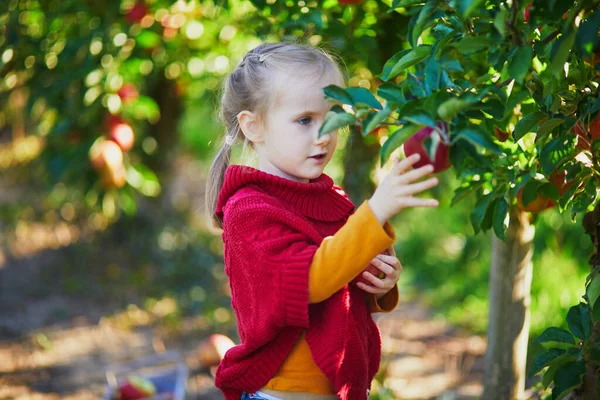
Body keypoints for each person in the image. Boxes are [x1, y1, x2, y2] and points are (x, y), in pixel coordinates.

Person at [205, 41, 439, 400]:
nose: (325, 134)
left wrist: (381, 282)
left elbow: (344, 279)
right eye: (304, 120)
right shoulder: (249, 210)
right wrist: (376, 211)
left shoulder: (333, 200)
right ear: (253, 127)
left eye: (333, 116)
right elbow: (311, 280)